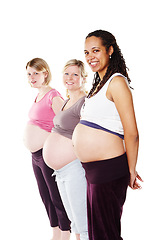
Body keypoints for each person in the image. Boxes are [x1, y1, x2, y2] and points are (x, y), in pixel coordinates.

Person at [72, 30, 143, 240]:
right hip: (93, 171)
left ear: (110, 50)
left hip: (108, 169)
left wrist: (131, 169)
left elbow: (132, 132)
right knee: (97, 234)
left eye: (96, 50)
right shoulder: (97, 87)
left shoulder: (117, 82)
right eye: (86, 52)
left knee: (106, 235)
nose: (90, 57)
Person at [23, 58, 71, 240]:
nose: (32, 77)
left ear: (45, 73)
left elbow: (66, 124)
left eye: (36, 73)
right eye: (29, 74)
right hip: (35, 155)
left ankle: (65, 234)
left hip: (47, 154)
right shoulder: (37, 95)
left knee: (55, 195)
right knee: (45, 196)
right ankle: (55, 233)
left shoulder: (53, 95)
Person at [43, 59, 89, 240]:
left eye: (75, 74)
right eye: (67, 73)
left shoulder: (85, 102)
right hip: (60, 172)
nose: (70, 78)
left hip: (74, 169)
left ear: (83, 78)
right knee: (74, 222)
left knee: (83, 224)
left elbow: (90, 134)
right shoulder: (66, 101)